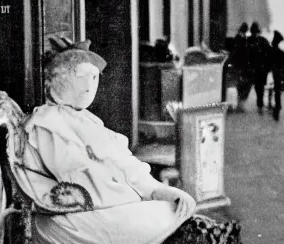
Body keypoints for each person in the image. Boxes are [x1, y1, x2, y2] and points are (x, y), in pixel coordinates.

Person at [12, 36, 197, 244]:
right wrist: (134, 197)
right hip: (71, 215)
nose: (89, 85)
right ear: (59, 79)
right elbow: (74, 178)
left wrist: (157, 190)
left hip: (109, 204)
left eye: (94, 77)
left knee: (175, 210)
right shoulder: (46, 123)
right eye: (81, 76)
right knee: (165, 218)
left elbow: (124, 164)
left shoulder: (89, 121)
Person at [247, 22, 272, 114]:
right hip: (258, 68)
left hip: (259, 69)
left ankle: (260, 103)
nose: (255, 34)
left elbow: (269, 54)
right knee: (259, 87)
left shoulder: (256, 41)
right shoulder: (261, 41)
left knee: (259, 87)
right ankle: (260, 103)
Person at [270, 31, 284, 121]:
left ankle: (275, 106)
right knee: (277, 89)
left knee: (276, 89)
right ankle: (277, 106)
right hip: (279, 73)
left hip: (274, 72)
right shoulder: (280, 52)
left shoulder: (273, 50)